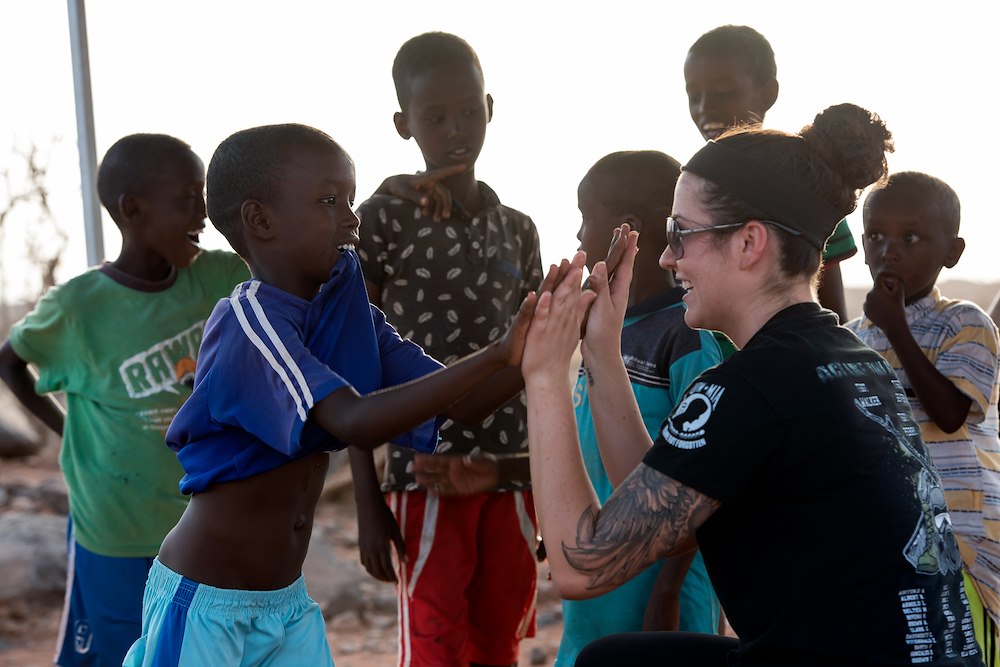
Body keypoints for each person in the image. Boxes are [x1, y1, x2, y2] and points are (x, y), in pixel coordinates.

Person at [519, 103, 985, 665]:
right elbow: (667, 511)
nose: (668, 258)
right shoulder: (850, 361)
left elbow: (580, 565)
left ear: (748, 244)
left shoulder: (751, 387)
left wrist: (544, 377)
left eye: (682, 234)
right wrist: (601, 350)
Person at [118, 123, 559, 666]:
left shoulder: (348, 315)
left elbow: (461, 403)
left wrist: (547, 345)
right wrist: (498, 352)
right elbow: (353, 421)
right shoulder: (250, 321)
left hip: (284, 604)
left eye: (350, 199)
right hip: (207, 601)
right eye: (330, 201)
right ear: (260, 220)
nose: (352, 220)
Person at [0, 133, 250, 667]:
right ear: (132, 209)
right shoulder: (79, 307)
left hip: (196, 523)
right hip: (110, 527)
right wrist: (66, 430)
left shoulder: (219, 278)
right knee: (117, 652)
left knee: (192, 650)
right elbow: (9, 361)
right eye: (187, 196)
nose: (201, 211)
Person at [352, 31, 543, 667]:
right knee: (434, 645)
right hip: (421, 474)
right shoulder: (385, 218)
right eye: (435, 117)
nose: (456, 130)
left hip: (509, 476)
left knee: (500, 640)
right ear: (405, 124)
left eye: (468, 112)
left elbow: (536, 356)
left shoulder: (518, 228)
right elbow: (353, 359)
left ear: (490, 107)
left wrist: (532, 476)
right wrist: (367, 497)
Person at [561, 150, 723, 663]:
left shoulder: (687, 336)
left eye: (586, 218)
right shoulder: (609, 324)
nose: (578, 235)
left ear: (624, 232)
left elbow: (703, 480)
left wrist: (667, 592)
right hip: (603, 568)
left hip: (659, 583)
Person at [846, 171, 1000, 665]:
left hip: (966, 542)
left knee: (963, 649)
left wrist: (897, 328)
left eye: (910, 238)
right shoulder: (849, 338)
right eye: (875, 236)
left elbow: (951, 413)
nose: (889, 250)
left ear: (951, 252)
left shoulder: (965, 322)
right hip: (891, 540)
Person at [684, 24, 856, 322]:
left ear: (768, 94)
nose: (704, 108)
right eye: (693, 95)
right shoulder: (690, 191)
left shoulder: (809, 186)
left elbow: (831, 316)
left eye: (722, 93)